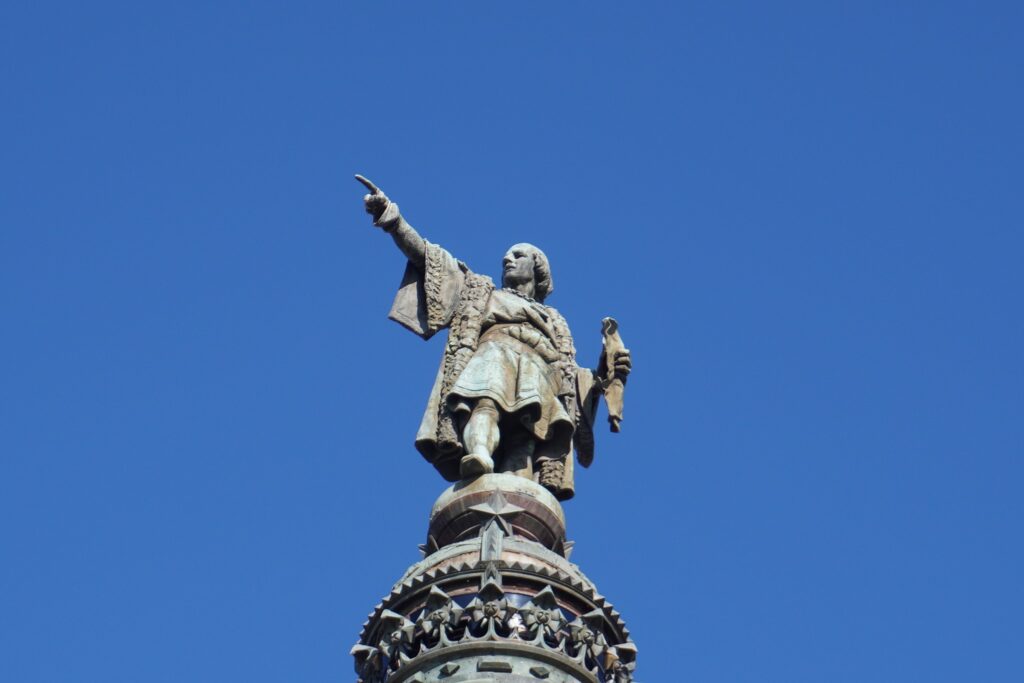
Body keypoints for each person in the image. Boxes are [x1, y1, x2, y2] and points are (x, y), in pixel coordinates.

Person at [357, 175, 631, 501]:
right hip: (494, 354)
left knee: (527, 436)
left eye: (518, 256)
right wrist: (393, 220)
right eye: (506, 258)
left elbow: (571, 381)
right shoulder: (481, 292)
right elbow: (431, 260)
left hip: (540, 372)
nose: (507, 260)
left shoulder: (555, 322)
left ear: (538, 269)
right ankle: (479, 454)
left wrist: (604, 373)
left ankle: (519, 492)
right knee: (484, 402)